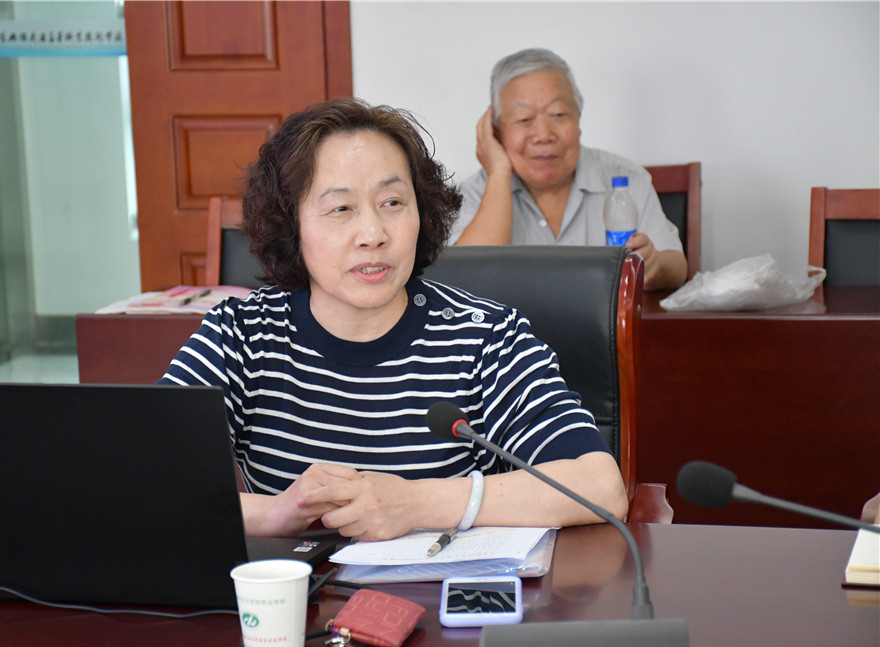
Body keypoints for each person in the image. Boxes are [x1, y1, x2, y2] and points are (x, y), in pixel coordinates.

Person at [159, 98, 628, 542]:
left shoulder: (485, 338)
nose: (373, 234)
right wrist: (274, 513)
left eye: (392, 203)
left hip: (443, 595)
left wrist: (415, 503)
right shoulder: (242, 333)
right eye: (341, 208)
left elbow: (600, 487)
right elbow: (144, 478)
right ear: (291, 225)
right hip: (295, 596)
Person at [451, 48, 688, 291]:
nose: (543, 135)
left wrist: (655, 265)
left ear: (578, 118)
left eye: (558, 114)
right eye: (524, 119)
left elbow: (676, 266)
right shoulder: (473, 193)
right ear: (495, 130)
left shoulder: (624, 179)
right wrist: (499, 175)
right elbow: (463, 284)